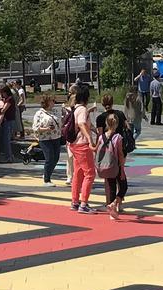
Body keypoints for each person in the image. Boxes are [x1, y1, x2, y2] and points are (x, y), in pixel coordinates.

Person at [66, 84, 97, 212]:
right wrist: (90, 139)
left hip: (74, 144)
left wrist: (93, 130)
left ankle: (75, 201)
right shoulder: (83, 110)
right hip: (82, 145)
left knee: (78, 174)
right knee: (90, 174)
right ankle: (84, 203)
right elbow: (82, 124)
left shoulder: (75, 109)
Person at [97, 111, 127, 221]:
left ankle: (111, 211)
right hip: (116, 165)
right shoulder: (118, 137)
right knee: (123, 186)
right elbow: (120, 154)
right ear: (116, 124)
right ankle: (114, 203)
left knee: (111, 187)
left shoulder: (101, 137)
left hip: (105, 165)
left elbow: (98, 150)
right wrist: (122, 168)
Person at [31, 94, 62, 185]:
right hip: (45, 138)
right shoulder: (39, 113)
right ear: (47, 102)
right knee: (49, 158)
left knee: (56, 158)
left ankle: (47, 173)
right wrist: (47, 129)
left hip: (56, 136)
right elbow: (35, 127)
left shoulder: (55, 111)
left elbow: (59, 122)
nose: (54, 102)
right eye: (52, 101)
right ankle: (47, 179)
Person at [0, 85, 16, 162]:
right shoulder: (6, 99)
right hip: (7, 121)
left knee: (6, 139)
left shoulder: (10, 99)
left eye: (2, 93)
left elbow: (3, 110)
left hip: (9, 121)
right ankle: (8, 155)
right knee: (4, 139)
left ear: (5, 92)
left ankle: (8, 157)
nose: (1, 95)